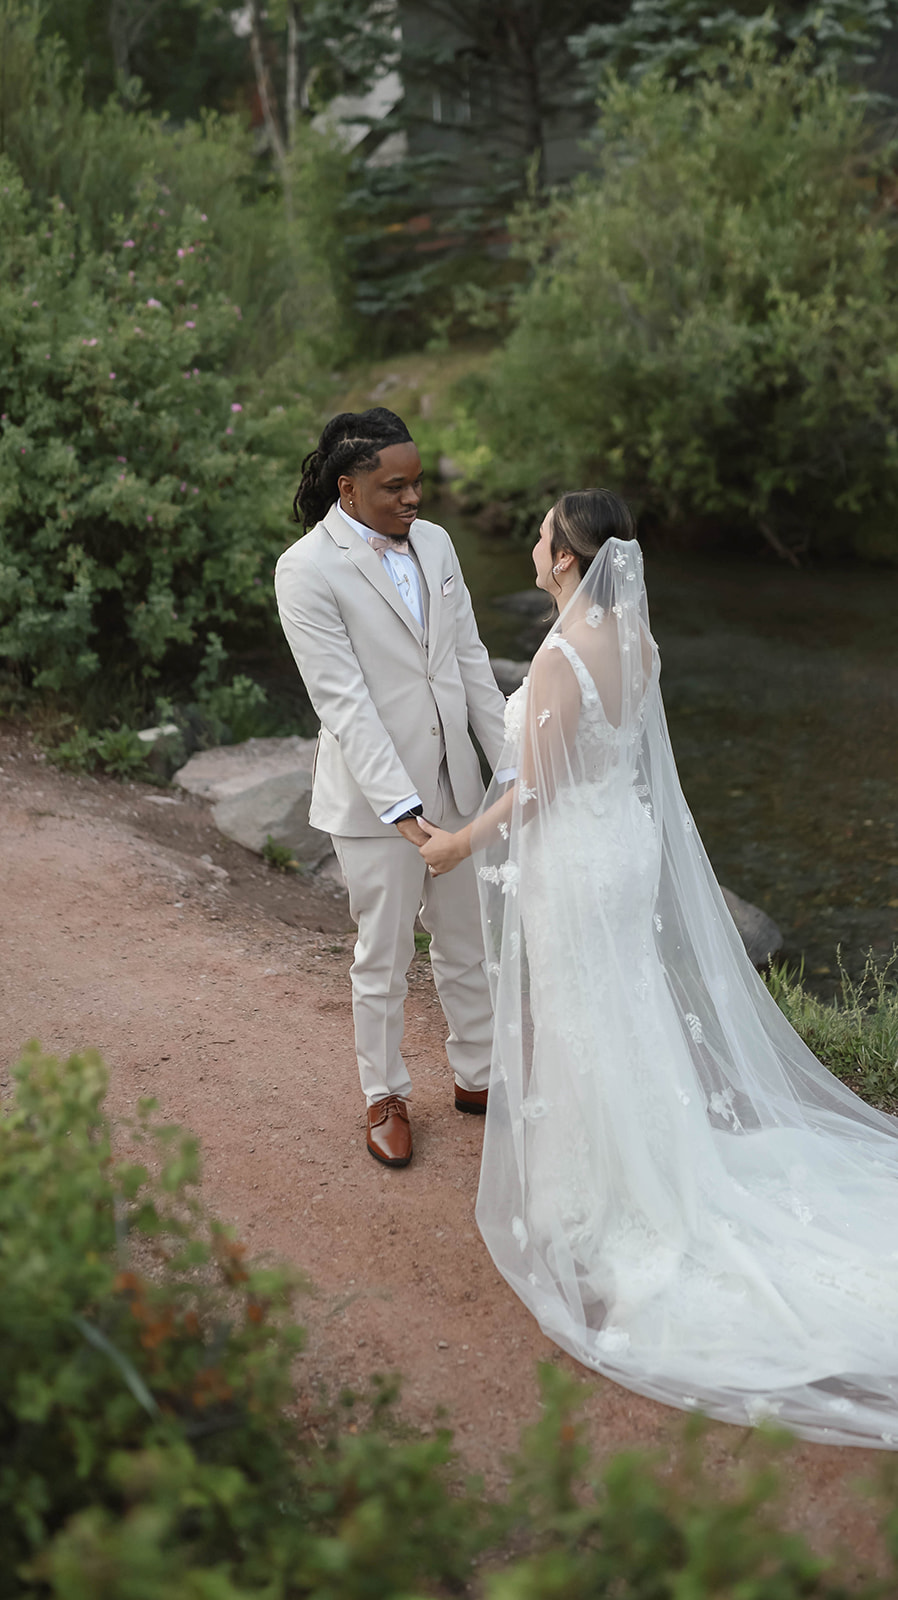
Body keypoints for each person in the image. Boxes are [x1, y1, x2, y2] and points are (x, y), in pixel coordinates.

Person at [418, 488, 898, 1448]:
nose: (534, 540)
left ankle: (602, 1199)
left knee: (580, 1013)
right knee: (620, 1003)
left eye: (545, 531)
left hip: (579, 858)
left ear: (568, 558)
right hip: (622, 846)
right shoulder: (639, 645)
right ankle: (631, 1165)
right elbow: (619, 764)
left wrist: (458, 843)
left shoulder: (560, 657)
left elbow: (537, 789)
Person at [275, 408, 509, 1169]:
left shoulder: (437, 544)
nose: (414, 498)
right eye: (395, 486)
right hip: (377, 804)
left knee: (467, 943)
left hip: (457, 782)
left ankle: (477, 1078)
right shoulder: (306, 569)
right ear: (348, 487)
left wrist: (513, 767)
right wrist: (409, 821)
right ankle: (386, 1096)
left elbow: (470, 660)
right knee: (382, 956)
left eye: (417, 482)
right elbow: (342, 701)